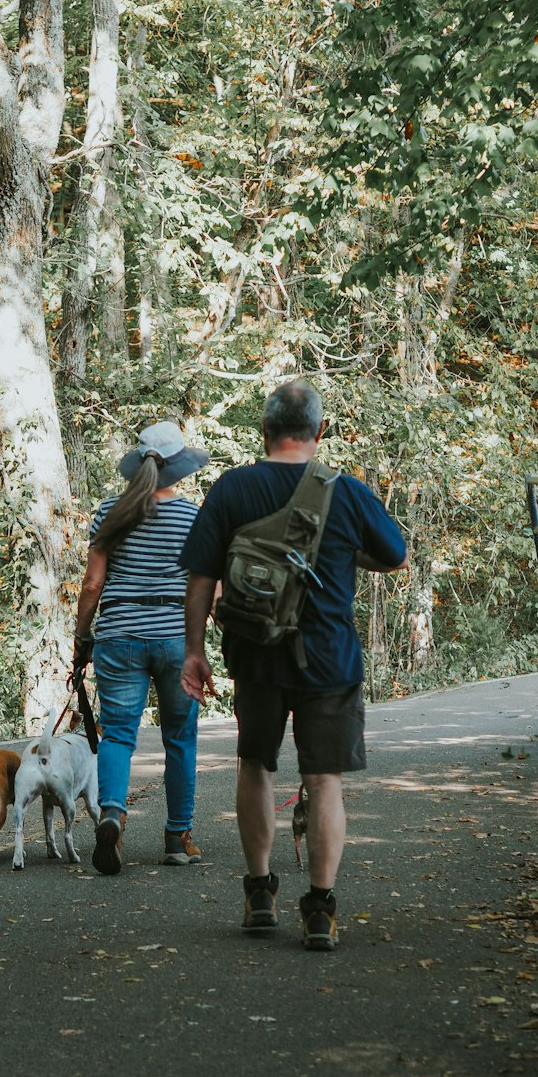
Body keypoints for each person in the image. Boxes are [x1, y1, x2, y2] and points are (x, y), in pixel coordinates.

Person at [180, 379, 407, 950]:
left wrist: (194, 651)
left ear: (265, 430)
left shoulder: (233, 488)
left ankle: (259, 891)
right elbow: (395, 555)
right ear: (319, 430)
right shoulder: (347, 491)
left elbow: (201, 579)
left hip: (256, 653)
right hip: (329, 657)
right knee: (322, 779)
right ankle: (320, 909)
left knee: (255, 765)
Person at [73, 420, 209, 876]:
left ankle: (112, 815)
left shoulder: (110, 512)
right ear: (179, 468)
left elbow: (93, 584)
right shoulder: (192, 517)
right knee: (180, 739)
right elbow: (207, 586)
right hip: (176, 636)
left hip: (118, 637)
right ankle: (177, 837)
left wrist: (81, 638)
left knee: (118, 735)